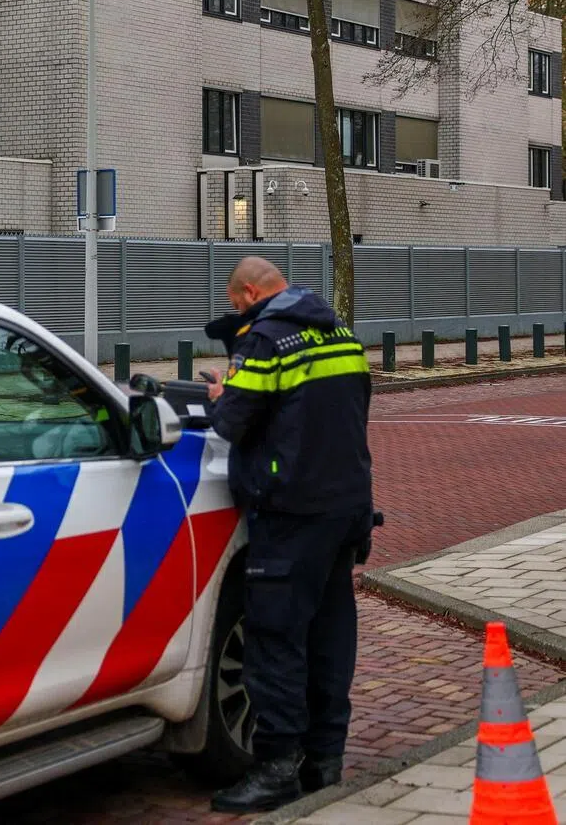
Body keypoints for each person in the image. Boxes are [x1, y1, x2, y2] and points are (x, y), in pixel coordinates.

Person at [203, 256, 373, 814]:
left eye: (236, 307)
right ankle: (325, 761)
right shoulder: (341, 334)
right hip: (344, 506)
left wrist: (222, 393)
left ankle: (276, 769)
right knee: (330, 637)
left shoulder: (264, 341)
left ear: (250, 294)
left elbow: (232, 422)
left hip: (290, 512)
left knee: (275, 642)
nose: (238, 315)